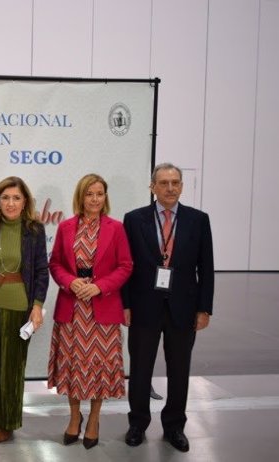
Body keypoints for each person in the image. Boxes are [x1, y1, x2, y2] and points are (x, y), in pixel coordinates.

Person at [123, 163, 214, 452]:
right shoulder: (134, 219)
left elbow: (206, 268)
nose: (170, 188)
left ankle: (174, 427)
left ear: (182, 186)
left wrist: (204, 308)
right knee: (139, 369)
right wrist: (125, 304)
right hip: (143, 307)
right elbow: (127, 267)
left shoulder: (198, 220)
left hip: (183, 308)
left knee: (179, 370)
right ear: (153, 187)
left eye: (175, 182)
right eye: (163, 182)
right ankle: (137, 424)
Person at [47, 173, 133, 449]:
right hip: (72, 309)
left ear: (105, 197)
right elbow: (55, 264)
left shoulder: (116, 228)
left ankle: (94, 420)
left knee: (99, 370)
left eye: (100, 194)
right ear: (80, 196)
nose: (95, 199)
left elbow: (125, 266)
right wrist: (70, 282)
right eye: (89, 194)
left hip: (102, 309)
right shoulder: (66, 227)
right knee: (72, 368)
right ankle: (74, 418)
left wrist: (99, 287)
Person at [0, 176, 49, 444]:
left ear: (25, 201)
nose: (11, 203)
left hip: (19, 309)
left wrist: (37, 306)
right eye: (5, 198)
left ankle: (7, 422)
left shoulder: (35, 231)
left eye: (16, 198)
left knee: (11, 369)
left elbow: (42, 271)